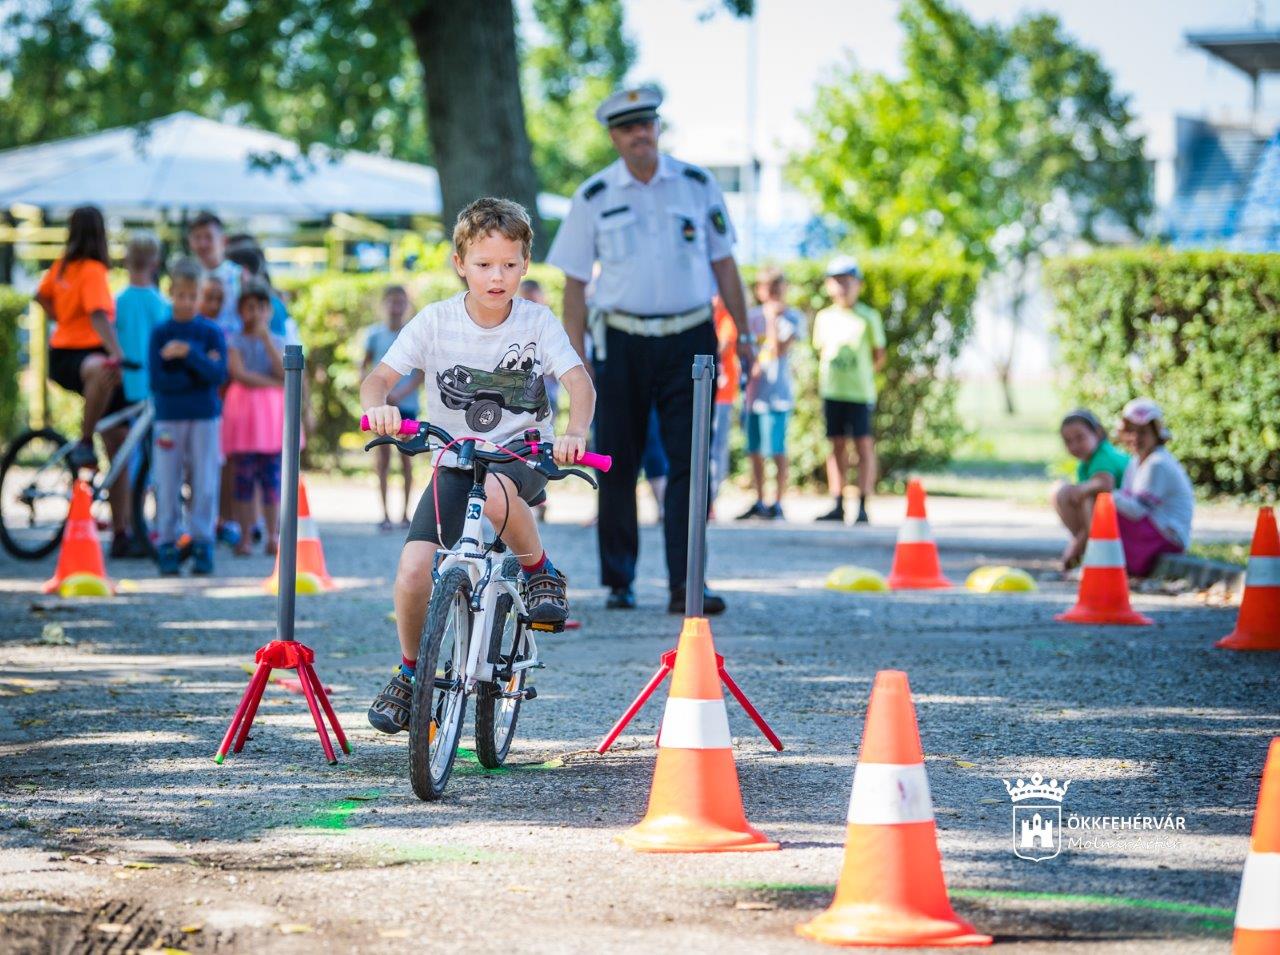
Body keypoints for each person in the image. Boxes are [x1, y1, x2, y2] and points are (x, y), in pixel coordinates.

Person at [361, 197, 595, 735]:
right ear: (460, 263)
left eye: (509, 265)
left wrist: (574, 434)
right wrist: (380, 407)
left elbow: (579, 384)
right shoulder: (435, 321)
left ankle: (538, 570)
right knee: (415, 569)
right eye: (484, 264)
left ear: (525, 265)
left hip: (523, 454)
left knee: (492, 490)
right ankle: (410, 670)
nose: (497, 277)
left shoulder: (537, 321)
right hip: (455, 458)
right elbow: (378, 379)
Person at [547, 85, 754, 613]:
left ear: (658, 128)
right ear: (614, 137)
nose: (640, 134)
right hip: (621, 341)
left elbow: (724, 263)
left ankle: (688, 584)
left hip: (691, 339)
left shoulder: (696, 184)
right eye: (628, 127)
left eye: (647, 123)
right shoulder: (593, 196)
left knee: (691, 463)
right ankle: (620, 581)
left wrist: (746, 334)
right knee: (617, 461)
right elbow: (573, 283)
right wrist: (575, 357)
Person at [34, 206, 139, 556]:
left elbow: (40, 294)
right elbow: (97, 316)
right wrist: (118, 352)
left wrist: (61, 318)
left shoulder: (63, 266)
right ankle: (83, 441)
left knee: (120, 441)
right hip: (80, 354)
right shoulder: (91, 269)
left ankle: (122, 531)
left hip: (66, 354)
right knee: (103, 369)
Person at [148, 258, 228, 575]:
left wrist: (185, 354)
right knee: (167, 482)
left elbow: (218, 374)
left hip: (205, 416)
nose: (186, 302)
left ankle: (203, 543)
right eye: (180, 295)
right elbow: (158, 381)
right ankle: (167, 542)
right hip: (169, 416)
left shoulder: (210, 332)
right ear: (171, 293)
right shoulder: (160, 333)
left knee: (205, 481)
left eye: (192, 296)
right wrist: (197, 373)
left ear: (200, 295)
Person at [812, 256, 885, 525]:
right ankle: (837, 501)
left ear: (858, 284)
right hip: (833, 390)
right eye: (837, 281)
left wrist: (862, 375)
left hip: (859, 393)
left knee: (863, 445)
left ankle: (863, 503)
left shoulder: (868, 317)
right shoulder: (825, 317)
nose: (843, 287)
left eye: (848, 281)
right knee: (836, 446)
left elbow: (879, 354)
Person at [221, 281, 286, 557]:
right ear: (240, 311)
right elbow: (239, 373)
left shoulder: (279, 341)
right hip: (244, 417)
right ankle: (246, 534)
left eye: (261, 307)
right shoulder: (234, 341)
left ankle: (273, 535)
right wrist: (270, 382)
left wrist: (266, 340)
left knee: (271, 479)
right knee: (243, 478)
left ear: (269, 311)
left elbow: (284, 374)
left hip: (270, 420)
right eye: (250, 307)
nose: (256, 313)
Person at [737, 268, 803, 521]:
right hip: (755, 395)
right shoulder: (751, 317)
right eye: (767, 285)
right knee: (754, 449)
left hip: (778, 395)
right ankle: (760, 499)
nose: (773, 291)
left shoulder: (792, 318)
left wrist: (773, 320)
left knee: (776, 448)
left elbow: (777, 349)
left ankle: (777, 501)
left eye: (778, 285)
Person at [361, 285, 423, 531]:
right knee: (382, 459)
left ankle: (406, 513)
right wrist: (374, 397)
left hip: (406, 406)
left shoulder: (412, 334)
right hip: (381, 407)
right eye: (392, 301)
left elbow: (420, 374)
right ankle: (385, 513)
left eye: (400, 302)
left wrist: (399, 393)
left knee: (407, 459)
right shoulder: (374, 335)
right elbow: (365, 368)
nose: (396, 307)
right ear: (384, 304)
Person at [1113, 398, 1195, 577]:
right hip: (1154, 531)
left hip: (1168, 537)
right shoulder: (1136, 462)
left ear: (1156, 433)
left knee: (1105, 509)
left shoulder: (1157, 464)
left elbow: (1136, 510)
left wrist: (1107, 496)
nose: (1135, 438)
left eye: (1142, 432)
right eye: (1130, 432)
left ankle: (1106, 562)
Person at [1052, 408, 1129, 570]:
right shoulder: (1085, 464)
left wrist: (1076, 544)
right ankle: (1089, 549)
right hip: (1115, 515)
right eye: (1068, 441)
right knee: (1063, 492)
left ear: (1098, 433)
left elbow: (1105, 484)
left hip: (1127, 517)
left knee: (1083, 497)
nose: (1074, 445)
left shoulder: (1103, 455)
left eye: (1080, 438)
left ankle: (1092, 551)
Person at [115, 232, 167, 408]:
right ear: (155, 263)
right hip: (156, 383)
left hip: (123, 383)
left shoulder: (115, 303)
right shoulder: (164, 305)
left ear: (126, 260)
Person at [709, 294, 740, 516]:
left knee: (716, 450)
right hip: (703, 394)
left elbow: (721, 345)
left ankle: (710, 500)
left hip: (721, 394)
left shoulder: (726, 318)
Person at [186, 212, 240, 331]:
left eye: (208, 237)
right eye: (197, 237)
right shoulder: (187, 277)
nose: (202, 244)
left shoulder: (240, 277)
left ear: (223, 240)